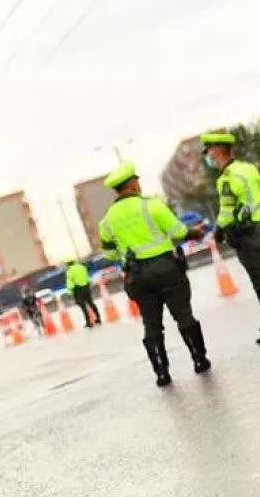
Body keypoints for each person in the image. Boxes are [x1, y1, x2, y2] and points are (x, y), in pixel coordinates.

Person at [98, 161, 210, 386]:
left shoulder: (107, 220)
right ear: (131, 185)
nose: (139, 184)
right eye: (136, 181)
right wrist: (194, 233)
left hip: (137, 277)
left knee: (151, 324)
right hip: (166, 269)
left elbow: (109, 255)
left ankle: (161, 373)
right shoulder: (152, 206)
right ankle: (199, 360)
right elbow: (178, 232)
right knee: (183, 315)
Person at [201, 132, 260, 346]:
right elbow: (258, 197)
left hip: (246, 233)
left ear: (217, 150)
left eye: (208, 151)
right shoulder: (248, 168)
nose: (208, 156)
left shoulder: (226, 178)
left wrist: (218, 231)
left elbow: (226, 211)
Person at [65, 258, 101, 328]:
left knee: (83, 306)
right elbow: (87, 276)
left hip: (77, 289)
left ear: (67, 264)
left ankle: (89, 322)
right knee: (91, 303)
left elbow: (70, 283)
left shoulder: (69, 271)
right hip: (86, 287)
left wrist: (70, 293)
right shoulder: (82, 267)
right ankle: (98, 318)